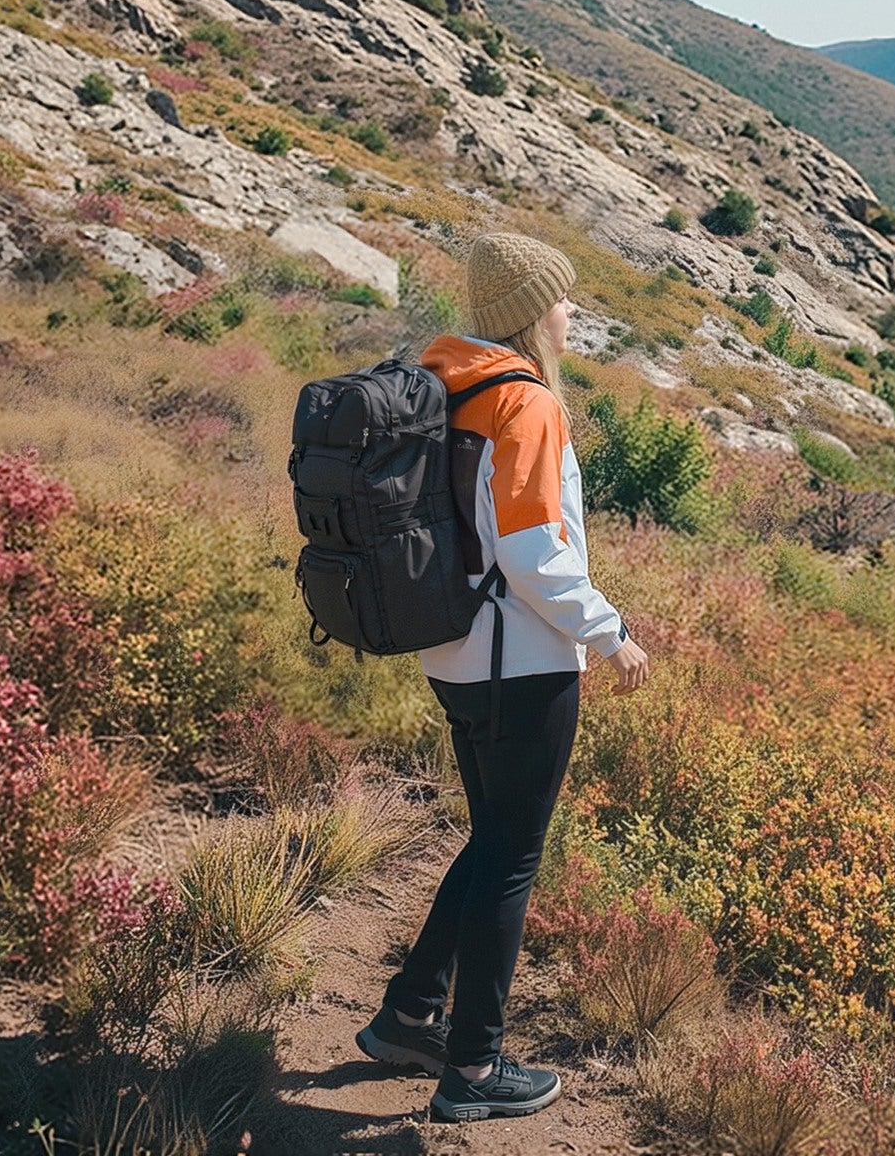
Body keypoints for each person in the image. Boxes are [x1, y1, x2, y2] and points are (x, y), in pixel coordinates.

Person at [354, 231, 651, 1124]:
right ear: (529, 312)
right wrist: (609, 633)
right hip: (519, 662)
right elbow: (530, 550)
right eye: (561, 297)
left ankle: (410, 1015)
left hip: (453, 652)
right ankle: (473, 1071)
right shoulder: (525, 402)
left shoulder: (445, 382)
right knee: (512, 860)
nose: (570, 311)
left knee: (491, 843)